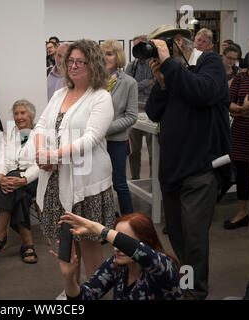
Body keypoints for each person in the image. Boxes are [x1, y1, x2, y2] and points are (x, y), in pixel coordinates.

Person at [145, 24, 231, 299]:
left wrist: (170, 66)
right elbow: (154, 112)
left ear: (178, 42)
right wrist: (160, 84)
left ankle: (195, 291)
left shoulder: (210, 62)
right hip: (172, 171)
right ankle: (187, 283)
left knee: (194, 238)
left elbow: (203, 92)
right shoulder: (171, 74)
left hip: (200, 170)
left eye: (161, 49)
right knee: (179, 236)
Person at [34, 39, 116, 299]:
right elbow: (40, 126)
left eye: (81, 61)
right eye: (70, 61)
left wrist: (53, 156)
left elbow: (91, 138)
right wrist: (39, 154)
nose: (74, 66)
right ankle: (74, 289)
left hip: (86, 182)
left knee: (89, 245)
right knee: (66, 245)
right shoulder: (60, 94)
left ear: (94, 65)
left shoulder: (101, 97)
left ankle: (95, 290)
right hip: (57, 180)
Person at [51, 212, 182, 300]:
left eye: (122, 242)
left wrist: (97, 228)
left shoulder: (165, 265)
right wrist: (68, 277)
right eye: (115, 242)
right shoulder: (116, 265)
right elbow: (85, 296)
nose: (116, 247)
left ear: (147, 241)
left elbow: (143, 254)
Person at [0, 99, 39, 264]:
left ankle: (0, 234)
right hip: (12, 181)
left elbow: (40, 164)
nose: (19, 116)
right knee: (16, 192)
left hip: (34, 179)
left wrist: (24, 179)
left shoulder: (41, 133)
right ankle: (27, 244)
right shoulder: (10, 133)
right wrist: (0, 176)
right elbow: (1, 157)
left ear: (31, 115)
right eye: (16, 113)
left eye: (23, 113)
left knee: (14, 186)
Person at [224, 36, 249, 229]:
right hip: (240, 134)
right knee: (242, 175)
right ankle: (242, 213)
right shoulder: (241, 76)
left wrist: (247, 111)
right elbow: (229, 103)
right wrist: (242, 109)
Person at [101, 39, 138, 215]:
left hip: (116, 141)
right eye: (102, 54)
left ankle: (129, 222)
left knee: (119, 184)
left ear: (118, 57)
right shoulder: (95, 81)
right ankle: (106, 222)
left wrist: (105, 129)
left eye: (109, 54)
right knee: (100, 185)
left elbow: (131, 117)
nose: (105, 57)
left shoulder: (129, 83)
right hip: (96, 142)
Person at [126, 35, 154, 180]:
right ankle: (135, 178)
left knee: (153, 150)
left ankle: (153, 180)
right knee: (134, 150)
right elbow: (128, 87)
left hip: (151, 109)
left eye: (142, 45)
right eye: (136, 45)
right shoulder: (132, 65)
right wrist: (147, 82)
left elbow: (157, 83)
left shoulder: (154, 63)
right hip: (135, 109)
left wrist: (141, 84)